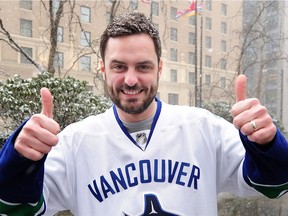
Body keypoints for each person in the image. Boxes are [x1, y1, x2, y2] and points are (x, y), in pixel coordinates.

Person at [0, 11, 288, 216]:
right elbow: (15, 207)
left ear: (160, 68)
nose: (130, 79)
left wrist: (266, 143)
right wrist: (20, 158)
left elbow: (276, 185)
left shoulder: (203, 128)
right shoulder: (75, 142)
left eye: (143, 67)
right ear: (102, 68)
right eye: (119, 67)